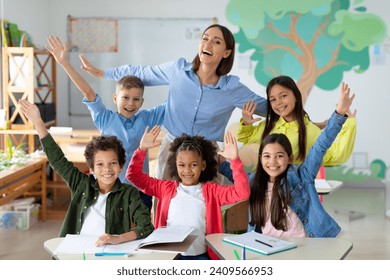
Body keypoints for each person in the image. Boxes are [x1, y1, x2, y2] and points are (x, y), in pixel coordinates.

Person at [79, 24, 267, 181]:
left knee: (206, 209)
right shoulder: (178, 70)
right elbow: (141, 72)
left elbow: (268, 107)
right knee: (164, 204)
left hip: (206, 155)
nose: (207, 43)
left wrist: (290, 108)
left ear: (226, 53)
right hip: (172, 149)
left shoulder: (232, 88)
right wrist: (104, 73)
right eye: (205, 38)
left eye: (216, 42)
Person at [46, 35, 166, 210]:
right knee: (111, 232)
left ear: (142, 102)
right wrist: (64, 63)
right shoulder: (105, 118)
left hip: (140, 190)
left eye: (136, 99)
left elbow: (175, 99)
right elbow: (87, 91)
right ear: (115, 98)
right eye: (125, 97)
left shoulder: (148, 118)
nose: (130, 103)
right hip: (108, 188)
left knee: (141, 231)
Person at [18, 99, 154, 246]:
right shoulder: (81, 183)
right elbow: (57, 159)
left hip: (107, 253)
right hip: (76, 249)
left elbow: (146, 226)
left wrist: (118, 238)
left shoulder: (129, 193)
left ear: (121, 166)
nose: (107, 169)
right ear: (92, 169)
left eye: (113, 163)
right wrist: (38, 122)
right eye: (100, 164)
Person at [126, 125, 250, 260]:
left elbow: (242, 192)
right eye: (182, 165)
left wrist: (234, 160)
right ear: (176, 165)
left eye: (194, 165)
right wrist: (142, 149)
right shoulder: (164, 188)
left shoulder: (212, 191)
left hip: (202, 256)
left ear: (203, 165)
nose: (187, 170)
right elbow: (133, 176)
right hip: (171, 256)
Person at [248, 85, 355, 238]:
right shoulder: (254, 182)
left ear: (289, 158)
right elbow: (232, 173)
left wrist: (338, 114)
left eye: (279, 156)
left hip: (301, 245)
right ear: (260, 159)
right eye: (266, 156)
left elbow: (320, 146)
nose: (272, 162)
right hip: (267, 246)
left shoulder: (301, 177)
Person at [238, 76, 356, 165]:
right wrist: (246, 123)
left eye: (283, 96)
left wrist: (348, 123)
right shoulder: (268, 125)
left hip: (291, 192)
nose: (278, 102)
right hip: (262, 188)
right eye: (273, 99)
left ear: (295, 96)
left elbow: (335, 156)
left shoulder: (309, 131)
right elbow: (246, 138)